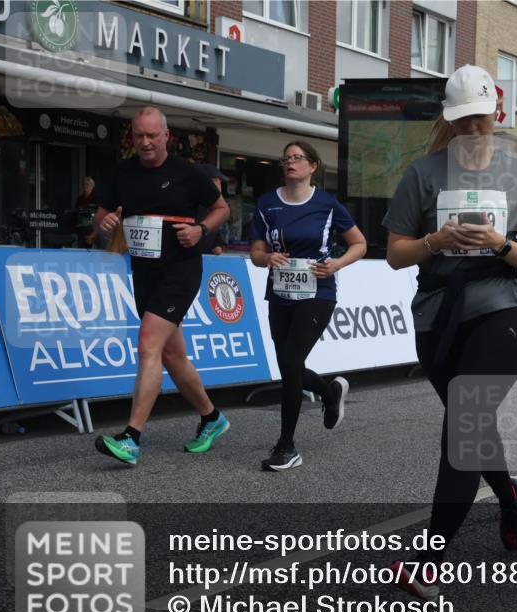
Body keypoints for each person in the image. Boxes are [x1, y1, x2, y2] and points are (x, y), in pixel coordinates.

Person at [381, 64, 517, 600]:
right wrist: (435, 240)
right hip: (438, 314)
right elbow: (393, 255)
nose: (473, 129)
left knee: (464, 423)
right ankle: (508, 497)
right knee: (471, 427)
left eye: (480, 119)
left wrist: (498, 244)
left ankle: (429, 560)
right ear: (449, 120)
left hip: (502, 309)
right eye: (462, 121)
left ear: (496, 115)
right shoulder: (422, 173)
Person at [92, 106, 230, 466]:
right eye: (139, 135)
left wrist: (200, 230)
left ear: (166, 136)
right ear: (132, 137)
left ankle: (132, 438)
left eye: (153, 135)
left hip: (181, 271)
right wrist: (105, 222)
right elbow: (101, 215)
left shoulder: (187, 172)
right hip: (145, 273)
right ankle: (212, 418)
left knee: (147, 345)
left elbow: (221, 209)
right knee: (172, 355)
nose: (146, 142)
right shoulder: (123, 173)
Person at [250, 141, 366, 471]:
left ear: (312, 166)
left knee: (290, 361)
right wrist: (266, 257)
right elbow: (256, 253)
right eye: (286, 158)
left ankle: (286, 446)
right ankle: (329, 393)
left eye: (298, 158)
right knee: (289, 366)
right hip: (280, 293)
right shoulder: (267, 203)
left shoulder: (327, 205)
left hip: (318, 291)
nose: (291, 163)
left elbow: (359, 243)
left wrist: (337, 264)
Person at [194, 163, 229, 255]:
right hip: (191, 262)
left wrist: (218, 245)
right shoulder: (198, 207)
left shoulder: (211, 207)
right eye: (217, 180)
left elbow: (217, 248)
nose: (220, 184)